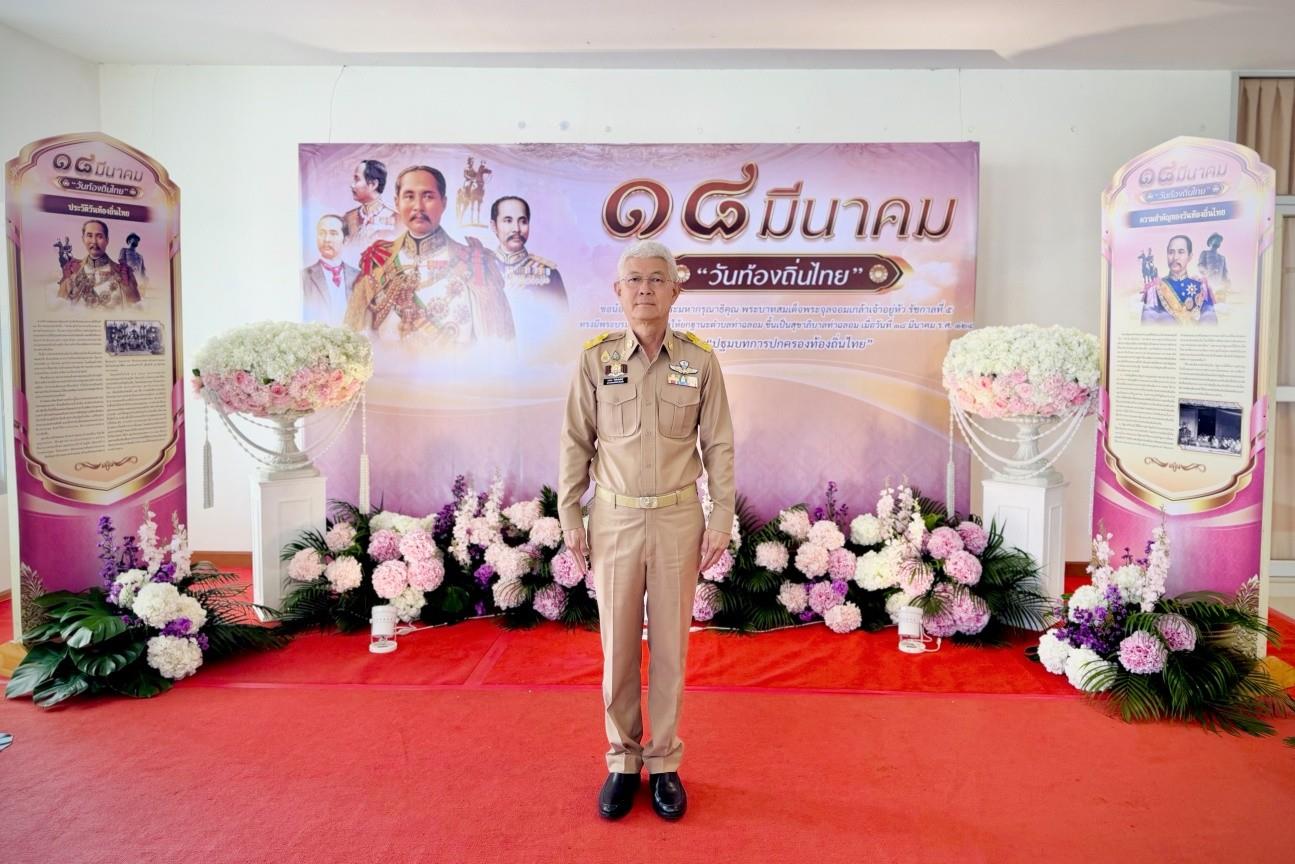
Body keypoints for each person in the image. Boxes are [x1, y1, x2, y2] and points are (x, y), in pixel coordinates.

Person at [558, 240, 735, 822]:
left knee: (670, 647)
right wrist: (570, 514)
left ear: (675, 290)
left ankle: (663, 763)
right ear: (618, 291)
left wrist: (721, 515)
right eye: (633, 279)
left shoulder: (700, 361)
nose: (644, 289)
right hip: (614, 519)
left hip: (678, 518)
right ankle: (621, 759)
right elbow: (576, 441)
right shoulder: (596, 360)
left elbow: (719, 444)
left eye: (657, 279)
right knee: (617, 647)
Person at [344, 165, 514, 346]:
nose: (418, 206)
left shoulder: (476, 265)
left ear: (444, 203)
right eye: (409, 196)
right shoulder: (378, 262)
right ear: (397, 202)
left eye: (428, 196)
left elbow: (500, 348)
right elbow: (352, 343)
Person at [490, 195, 567, 308]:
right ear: (494, 226)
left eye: (523, 221)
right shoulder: (482, 267)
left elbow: (562, 316)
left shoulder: (549, 273)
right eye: (508, 221)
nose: (516, 229)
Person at [58, 220, 141, 307]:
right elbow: (60, 306)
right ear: (83, 239)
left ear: (107, 240)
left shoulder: (124, 273)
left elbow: (134, 308)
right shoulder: (71, 269)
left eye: (99, 236)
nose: (94, 241)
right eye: (89, 236)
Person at [1141, 235, 1216, 324]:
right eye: (1171, 252)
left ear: (1190, 256)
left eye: (1181, 252)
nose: (1175, 257)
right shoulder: (1155, 289)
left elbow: (1210, 319)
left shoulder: (1200, 287)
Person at [302, 214, 359, 322]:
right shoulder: (304, 277)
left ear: (346, 240)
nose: (326, 239)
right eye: (321, 233)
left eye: (333, 233)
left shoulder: (358, 277)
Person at [342, 159, 397, 248]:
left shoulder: (398, 220)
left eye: (357, 179)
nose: (352, 185)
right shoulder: (348, 218)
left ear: (373, 184)